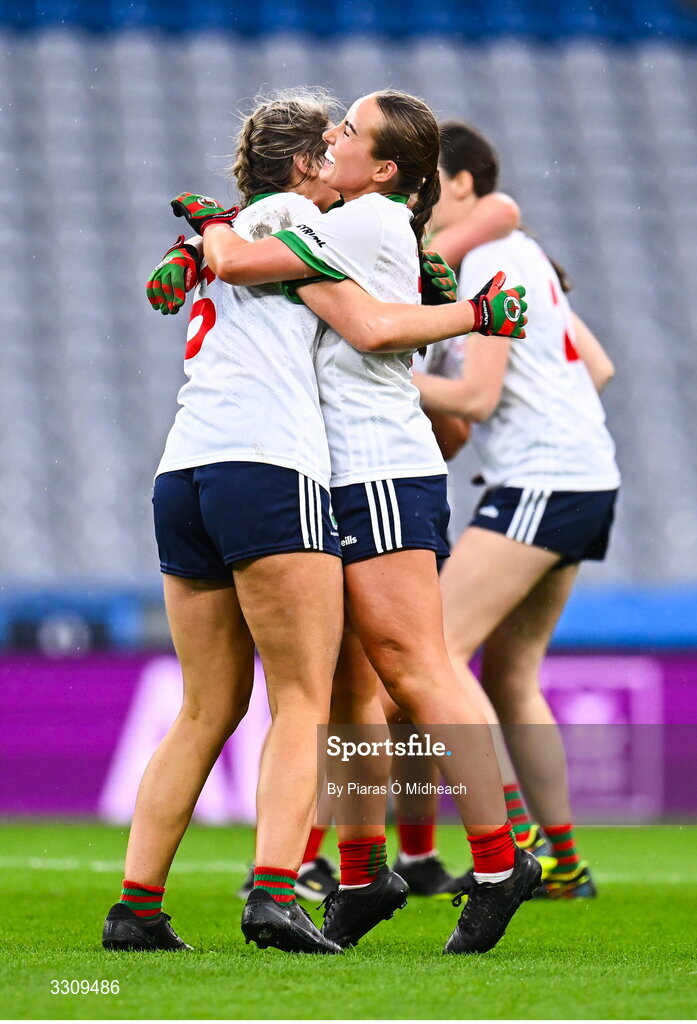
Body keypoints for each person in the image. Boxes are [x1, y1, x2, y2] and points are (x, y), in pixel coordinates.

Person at [172, 89, 541, 956]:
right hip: (340, 468)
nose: (330, 137)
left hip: (376, 464)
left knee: (418, 667)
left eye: (348, 130)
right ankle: (366, 869)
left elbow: (263, 271)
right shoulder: (362, 218)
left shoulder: (367, 218)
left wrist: (212, 230)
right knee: (349, 689)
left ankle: (500, 860)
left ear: (383, 170)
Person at [102, 90, 350, 956]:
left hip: (186, 469)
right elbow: (269, 274)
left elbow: (208, 269)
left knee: (205, 706)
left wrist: (203, 234)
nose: (346, 160)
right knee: (304, 699)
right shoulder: (284, 216)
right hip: (268, 464)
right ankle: (276, 896)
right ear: (304, 163)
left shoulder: (226, 231)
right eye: (335, 144)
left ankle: (136, 907)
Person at [410, 120, 620, 898]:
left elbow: (476, 397)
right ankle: (564, 866)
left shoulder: (490, 259)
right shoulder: (523, 255)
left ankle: (518, 841)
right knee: (510, 674)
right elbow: (597, 367)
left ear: (464, 184)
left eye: (433, 181)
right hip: (578, 477)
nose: (422, 198)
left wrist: (380, 376)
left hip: (542, 484)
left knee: (432, 649)